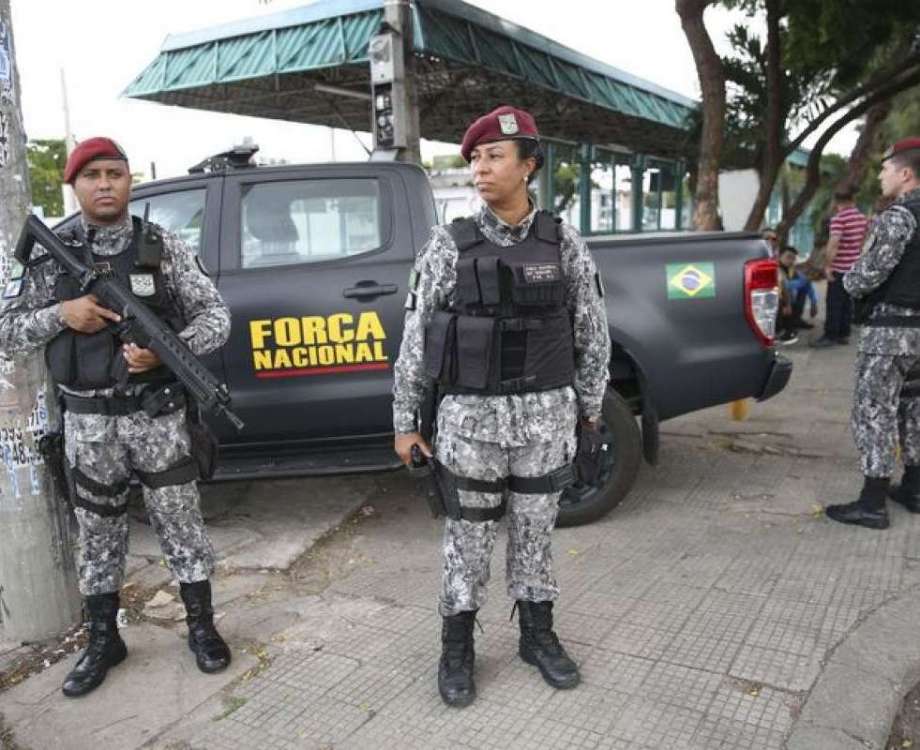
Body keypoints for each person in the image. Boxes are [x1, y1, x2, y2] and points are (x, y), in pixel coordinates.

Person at [391, 106, 610, 707]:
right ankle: (456, 647)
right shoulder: (447, 245)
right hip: (470, 425)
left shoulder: (564, 242)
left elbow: (592, 334)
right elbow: (415, 341)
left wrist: (591, 415)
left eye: (494, 157)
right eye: (475, 159)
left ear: (528, 165)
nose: (481, 169)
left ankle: (537, 637)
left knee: (536, 534)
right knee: (467, 541)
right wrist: (405, 423)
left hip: (546, 423)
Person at [0, 137, 233, 696]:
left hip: (156, 417)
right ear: (73, 184)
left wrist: (167, 351)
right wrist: (62, 314)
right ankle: (104, 639)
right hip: (87, 424)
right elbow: (7, 331)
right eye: (92, 175)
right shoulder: (48, 254)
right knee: (97, 532)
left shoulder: (161, 245)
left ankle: (202, 627)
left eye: (115, 173)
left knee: (181, 522)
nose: (104, 184)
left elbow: (216, 316)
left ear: (130, 181)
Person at [824, 137, 920, 529]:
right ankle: (914, 488)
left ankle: (872, 503)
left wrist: (847, 283)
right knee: (914, 408)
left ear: (906, 173)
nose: (881, 176)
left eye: (885, 169)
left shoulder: (899, 217)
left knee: (875, 409)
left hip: (890, 333)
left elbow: (870, 273)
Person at [812, 189, 869, 347]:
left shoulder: (839, 219)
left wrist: (828, 266)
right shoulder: (862, 218)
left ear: (836, 202)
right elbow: (864, 241)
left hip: (839, 268)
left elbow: (834, 244)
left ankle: (831, 335)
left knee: (834, 302)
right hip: (853, 267)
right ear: (853, 199)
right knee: (847, 302)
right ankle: (844, 334)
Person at [777, 246, 818, 344]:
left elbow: (807, 284)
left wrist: (814, 302)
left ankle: (796, 320)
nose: (791, 261)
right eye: (788, 257)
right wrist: (804, 281)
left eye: (793, 258)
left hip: (788, 301)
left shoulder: (792, 269)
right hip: (777, 301)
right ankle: (787, 327)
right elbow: (785, 285)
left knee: (803, 289)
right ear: (779, 256)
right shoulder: (775, 268)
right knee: (795, 287)